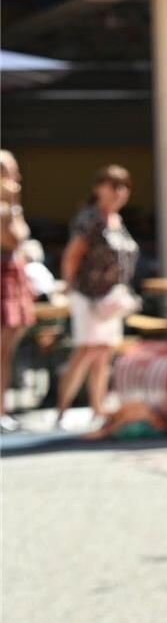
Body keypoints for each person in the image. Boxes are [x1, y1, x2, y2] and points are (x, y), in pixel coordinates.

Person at [55, 165, 141, 429]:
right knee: (86, 350)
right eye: (113, 185)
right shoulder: (90, 219)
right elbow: (72, 256)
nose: (119, 192)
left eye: (123, 186)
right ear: (98, 188)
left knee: (104, 352)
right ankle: (62, 410)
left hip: (111, 297)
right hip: (88, 296)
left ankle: (98, 407)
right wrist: (71, 287)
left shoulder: (118, 221)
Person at [1, 150, 33, 433]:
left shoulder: (11, 204)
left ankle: (2, 409)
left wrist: (13, 203)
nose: (17, 178)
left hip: (12, 274)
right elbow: (10, 237)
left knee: (6, 351)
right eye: (12, 171)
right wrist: (10, 204)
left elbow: (21, 236)